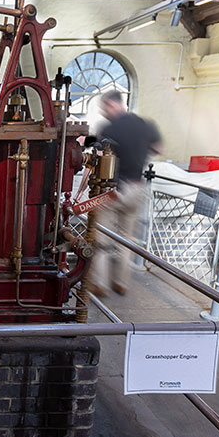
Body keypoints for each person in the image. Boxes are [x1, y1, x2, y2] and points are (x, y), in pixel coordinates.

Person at [88, 90, 162, 296]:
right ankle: (121, 283)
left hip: (113, 190)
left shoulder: (109, 128)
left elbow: (100, 156)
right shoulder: (145, 124)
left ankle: (100, 284)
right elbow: (159, 148)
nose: (104, 112)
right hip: (137, 188)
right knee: (126, 238)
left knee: (101, 238)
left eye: (104, 108)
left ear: (112, 105)